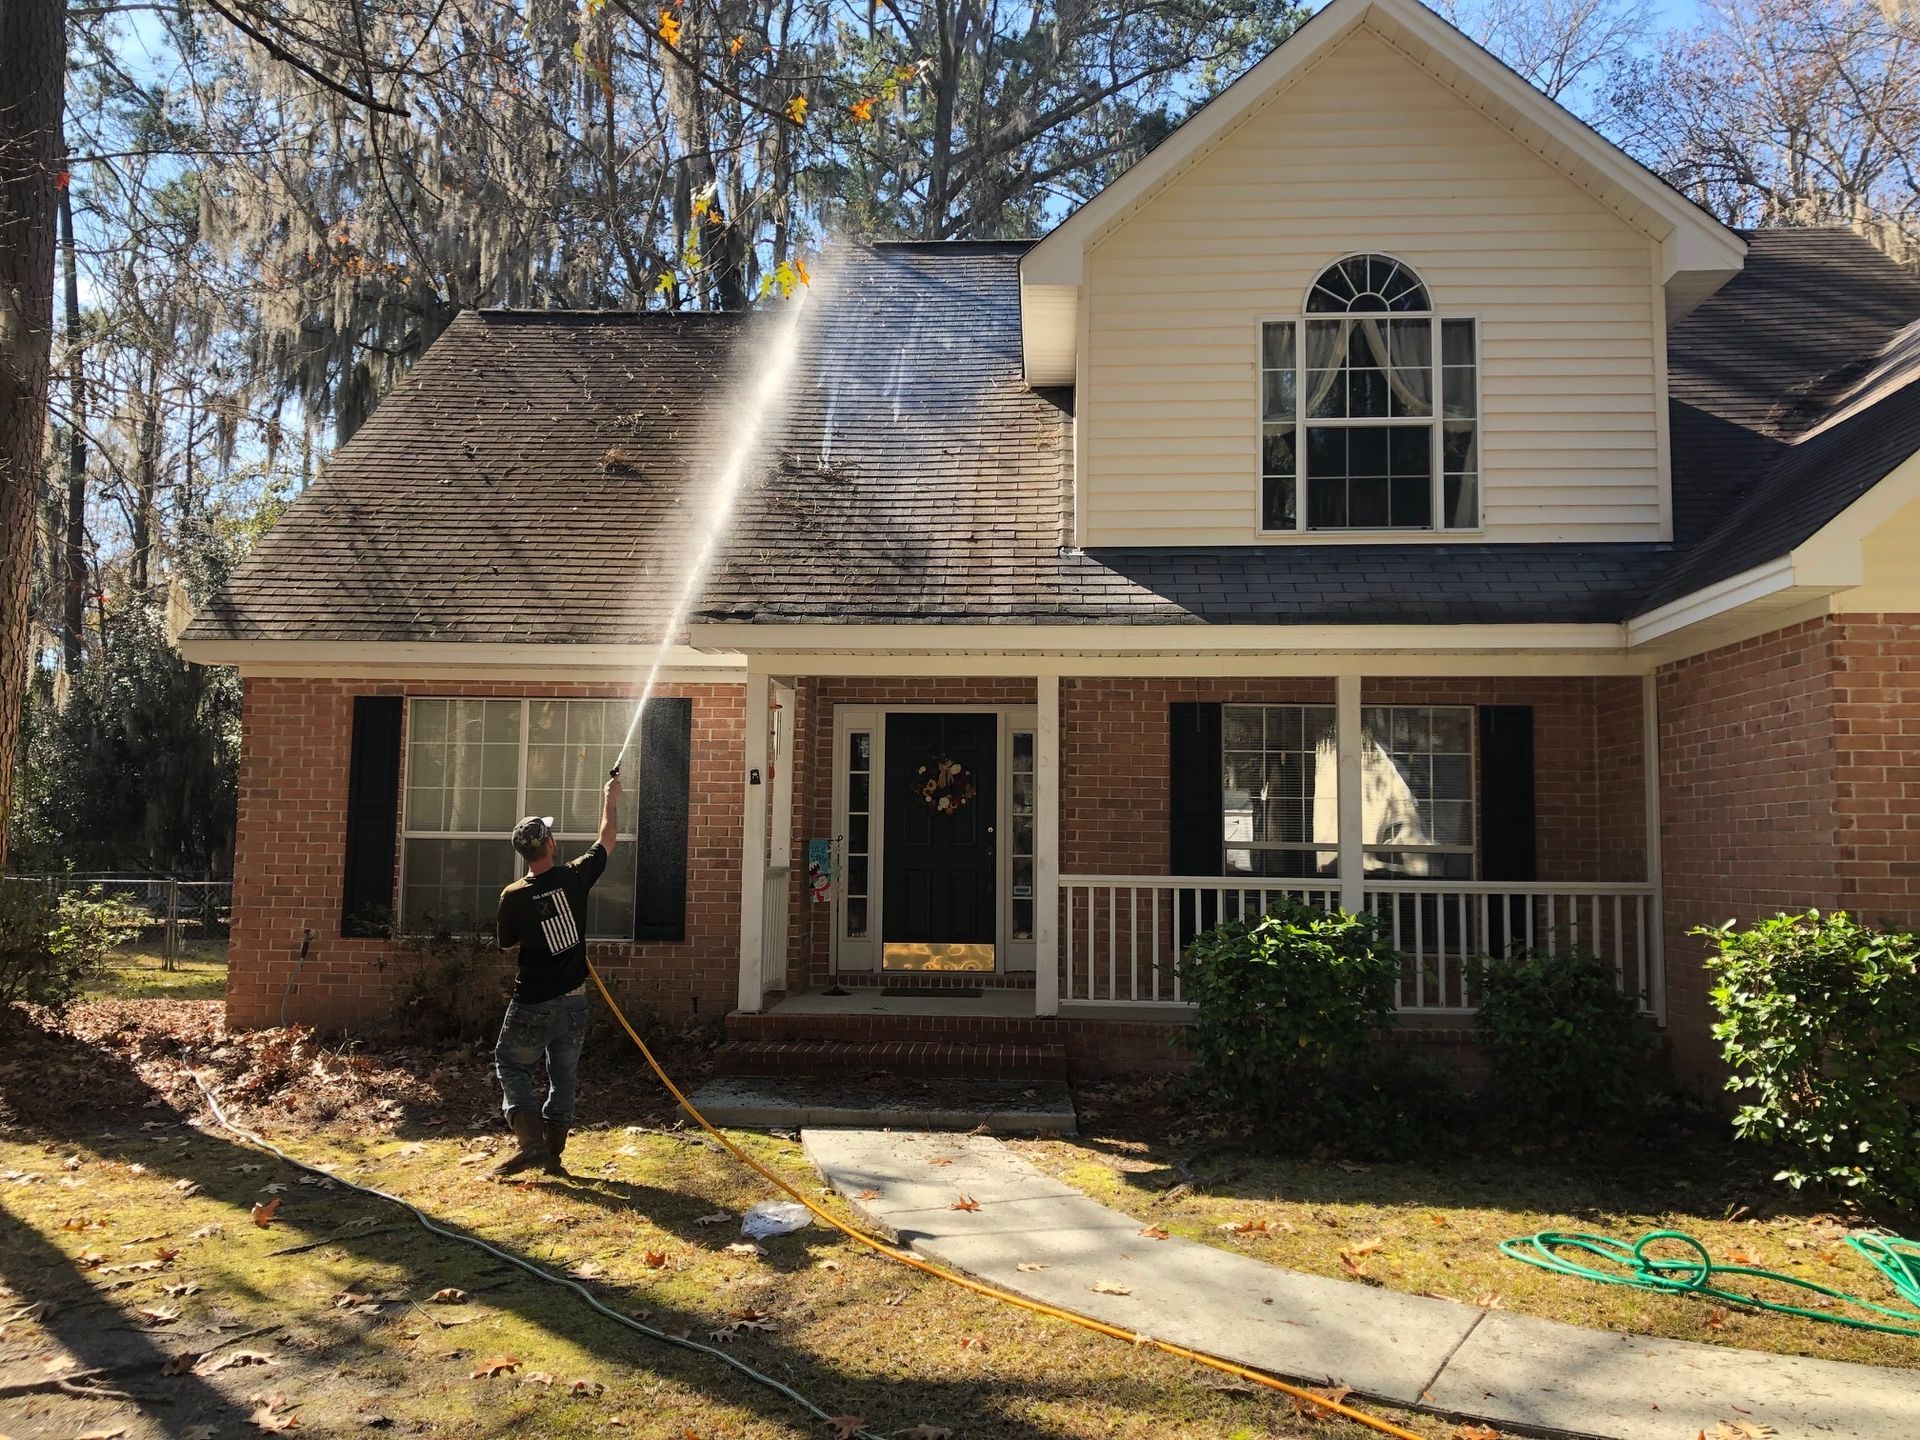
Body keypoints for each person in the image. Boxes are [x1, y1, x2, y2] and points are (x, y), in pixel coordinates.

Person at [491, 773, 621, 1178]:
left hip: (531, 1002)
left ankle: (530, 1143)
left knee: (511, 1066)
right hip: (574, 1000)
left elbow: (506, 945)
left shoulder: (512, 897)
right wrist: (609, 797)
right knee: (563, 1079)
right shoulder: (573, 877)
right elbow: (607, 838)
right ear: (549, 845)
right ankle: (550, 1154)